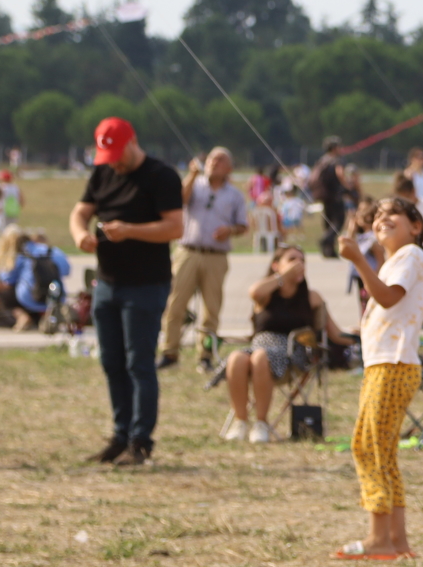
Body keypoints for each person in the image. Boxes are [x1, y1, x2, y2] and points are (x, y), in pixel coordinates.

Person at [71, 118, 185, 467]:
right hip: (107, 283)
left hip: (145, 284)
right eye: (108, 157)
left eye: (118, 155)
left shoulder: (161, 176)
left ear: (133, 142)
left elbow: (174, 227)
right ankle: (120, 434)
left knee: (139, 363)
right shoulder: (103, 172)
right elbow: (80, 211)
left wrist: (130, 230)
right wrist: (80, 234)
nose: (115, 164)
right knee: (112, 361)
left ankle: (140, 440)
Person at [335, 197, 423, 559]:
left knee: (368, 447)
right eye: (378, 216)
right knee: (382, 450)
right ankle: (397, 540)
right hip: (386, 365)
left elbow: (386, 298)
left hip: (392, 365)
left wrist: (357, 260)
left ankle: (378, 538)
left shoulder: (411, 255)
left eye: (393, 213)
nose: (383, 219)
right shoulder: (400, 260)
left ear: (416, 226)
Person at [221, 244, 350, 442]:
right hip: (260, 346)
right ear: (276, 265)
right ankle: (241, 421)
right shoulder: (266, 295)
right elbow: (254, 292)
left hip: (293, 354)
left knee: (260, 357)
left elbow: (336, 333)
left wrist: (362, 335)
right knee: (236, 357)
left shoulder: (311, 297)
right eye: (292, 259)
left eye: (302, 260)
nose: (299, 264)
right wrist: (283, 276)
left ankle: (261, 423)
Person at [159, 147, 249, 372]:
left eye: (220, 160)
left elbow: (243, 225)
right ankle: (170, 351)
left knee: (211, 309)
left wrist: (230, 230)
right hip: (188, 251)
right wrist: (191, 175)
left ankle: (206, 355)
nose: (214, 162)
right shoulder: (195, 186)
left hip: (216, 256)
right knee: (175, 304)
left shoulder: (234, 195)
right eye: (211, 158)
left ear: (229, 168)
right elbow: (179, 200)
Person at [0, 230, 71, 331]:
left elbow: (7, 279)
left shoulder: (21, 254)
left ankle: (23, 316)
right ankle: (48, 317)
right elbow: (66, 271)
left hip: (28, 299)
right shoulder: (54, 251)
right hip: (55, 296)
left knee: (4, 292)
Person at [311, 136, 347, 258]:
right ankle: (325, 240)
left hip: (325, 196)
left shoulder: (322, 160)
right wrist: (347, 185)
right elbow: (340, 173)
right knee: (339, 221)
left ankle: (329, 250)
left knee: (328, 222)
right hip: (335, 195)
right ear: (334, 148)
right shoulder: (336, 160)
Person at [394, 172, 423, 250]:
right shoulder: (400, 207)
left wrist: (417, 227)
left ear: (413, 192)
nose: (405, 201)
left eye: (406, 197)